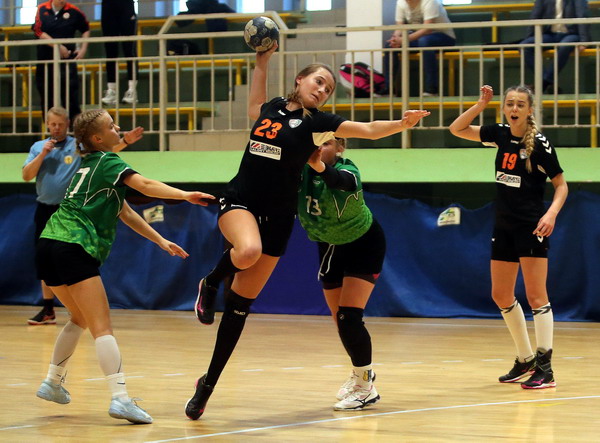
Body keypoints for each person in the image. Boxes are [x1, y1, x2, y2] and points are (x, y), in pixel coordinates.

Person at [185, 41, 429, 420]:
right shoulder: (271, 109)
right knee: (247, 251)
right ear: (300, 80)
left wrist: (400, 124)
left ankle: (208, 383)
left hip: (279, 219)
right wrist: (262, 60)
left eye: (328, 88)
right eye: (318, 81)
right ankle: (212, 281)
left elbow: (366, 129)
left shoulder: (318, 125)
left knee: (239, 309)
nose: (322, 89)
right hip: (241, 200)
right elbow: (255, 103)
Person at [35, 109, 215, 423]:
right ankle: (120, 399)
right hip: (73, 245)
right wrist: (185, 195)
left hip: (48, 244)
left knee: (79, 317)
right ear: (97, 138)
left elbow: (125, 212)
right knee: (101, 326)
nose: (117, 128)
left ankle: (52, 382)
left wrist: (161, 240)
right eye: (111, 125)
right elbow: (144, 184)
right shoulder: (108, 161)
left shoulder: (88, 165)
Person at [449, 85, 568, 389]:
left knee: (536, 296)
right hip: (503, 225)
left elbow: (561, 185)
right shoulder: (500, 134)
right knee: (501, 295)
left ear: (530, 110)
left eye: (520, 104)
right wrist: (480, 105)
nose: (514, 109)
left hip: (531, 225)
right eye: (509, 104)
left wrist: (551, 214)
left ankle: (546, 369)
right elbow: (457, 129)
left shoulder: (540, 144)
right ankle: (525, 359)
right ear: (504, 108)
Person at [22, 106, 141, 325]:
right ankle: (48, 308)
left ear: (67, 124)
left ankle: (78, 308)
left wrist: (125, 141)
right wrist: (43, 154)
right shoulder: (38, 147)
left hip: (73, 209)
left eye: (60, 124)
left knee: (72, 259)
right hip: (46, 209)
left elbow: (102, 149)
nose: (56, 128)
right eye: (52, 124)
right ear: (47, 125)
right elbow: (26, 175)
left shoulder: (76, 146)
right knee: (46, 258)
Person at [297, 137, 385, 410]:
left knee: (349, 317)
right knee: (340, 320)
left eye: (326, 143)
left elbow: (341, 181)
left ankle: (366, 388)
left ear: (339, 147)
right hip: (329, 245)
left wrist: (316, 164)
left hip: (363, 243)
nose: (318, 148)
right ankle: (360, 373)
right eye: (314, 142)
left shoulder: (348, 169)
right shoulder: (299, 171)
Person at [32, 0, 90, 121]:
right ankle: (50, 130)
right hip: (45, 61)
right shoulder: (42, 9)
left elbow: (85, 28)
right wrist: (57, 46)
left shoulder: (74, 11)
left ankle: (74, 130)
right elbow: (38, 31)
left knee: (71, 98)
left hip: (66, 62)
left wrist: (83, 48)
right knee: (47, 98)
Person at [383, 0, 456, 96]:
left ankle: (432, 89)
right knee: (389, 46)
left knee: (425, 42)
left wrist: (403, 40)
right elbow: (399, 26)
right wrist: (395, 39)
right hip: (419, 38)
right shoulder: (401, 2)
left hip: (443, 36)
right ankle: (388, 89)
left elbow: (427, 29)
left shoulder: (430, 1)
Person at [521, 0, 590, 94]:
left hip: (572, 33)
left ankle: (543, 84)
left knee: (564, 46)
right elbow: (535, 16)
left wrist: (584, 41)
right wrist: (530, 38)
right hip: (551, 34)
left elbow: (582, 15)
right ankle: (547, 81)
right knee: (525, 46)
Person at [101, 0, 139, 105]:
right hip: (108, 6)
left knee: (129, 49)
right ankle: (111, 90)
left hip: (126, 6)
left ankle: (132, 90)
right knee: (110, 50)